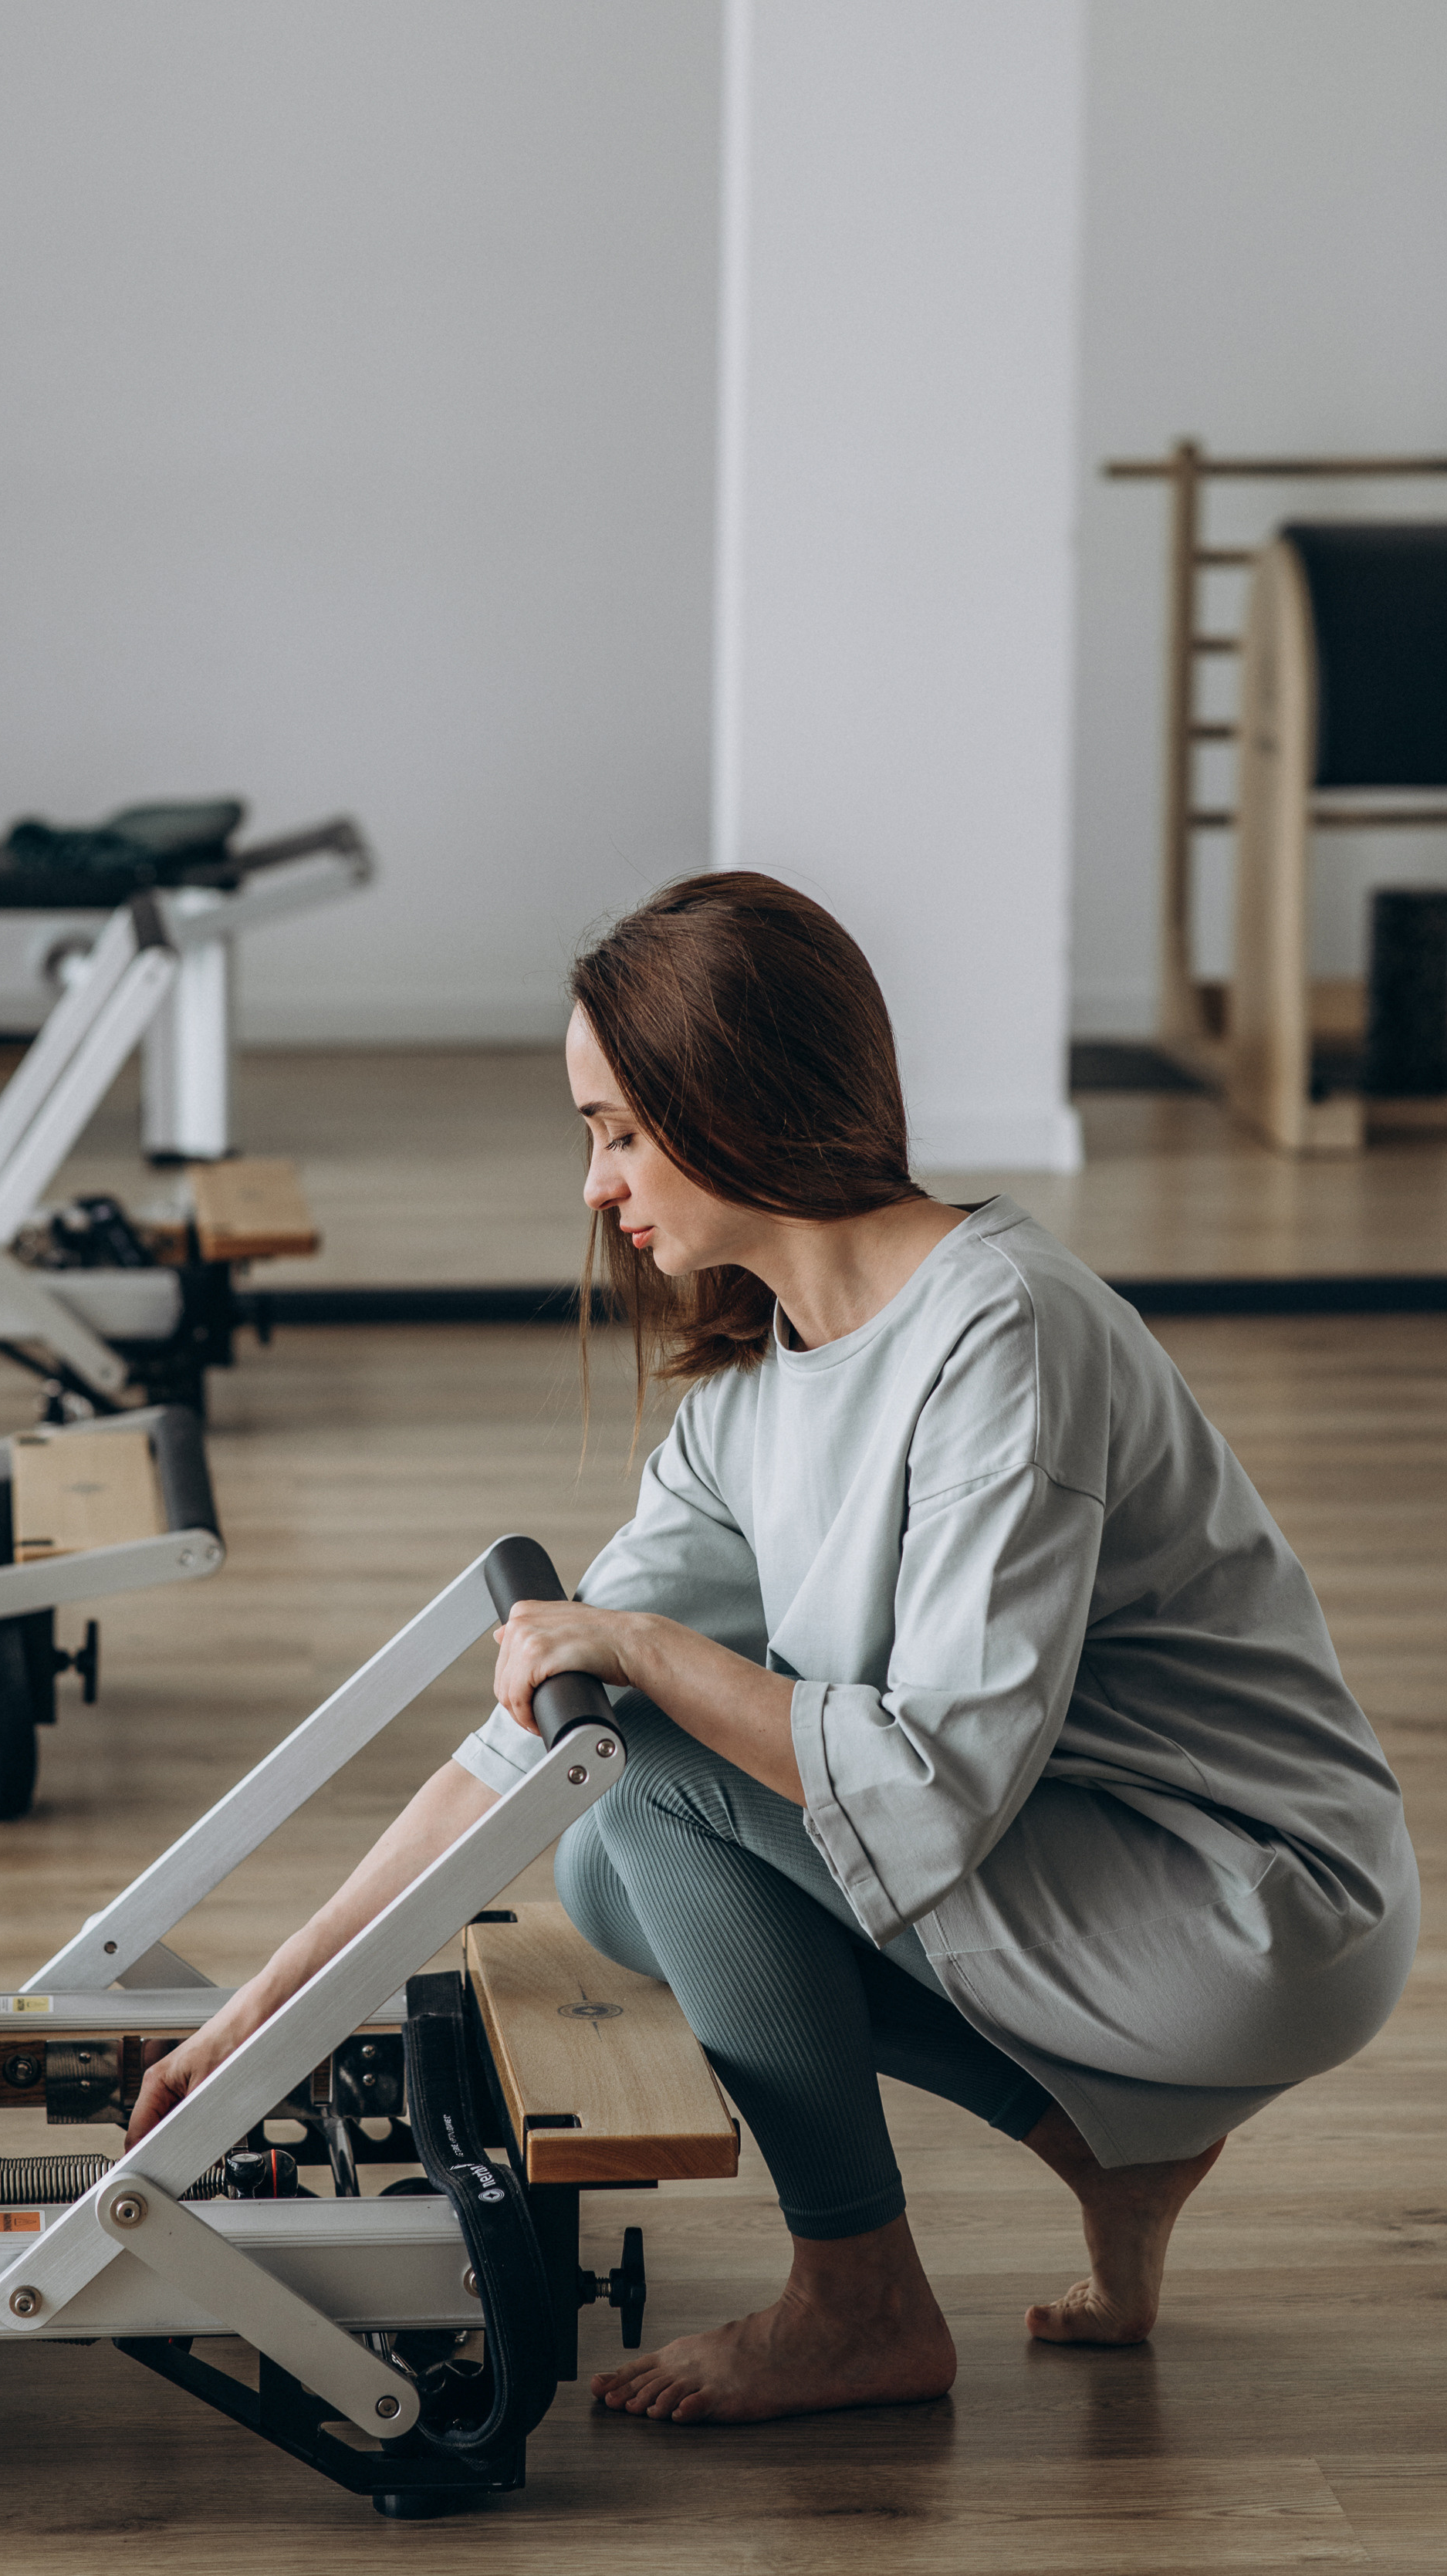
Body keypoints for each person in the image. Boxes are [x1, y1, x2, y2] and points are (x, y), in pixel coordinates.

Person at [129, 872, 1418, 2428]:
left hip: (1251, 1903)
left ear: (730, 1098)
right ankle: (1091, 2143)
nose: (596, 1185)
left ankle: (857, 2299)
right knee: (607, 1863)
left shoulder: (1005, 1333)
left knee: (651, 1772)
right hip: (1089, 1867)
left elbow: (931, 1790)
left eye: (618, 1131)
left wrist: (649, 1651)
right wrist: (261, 2016)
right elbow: (529, 1740)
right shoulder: (752, 1396)